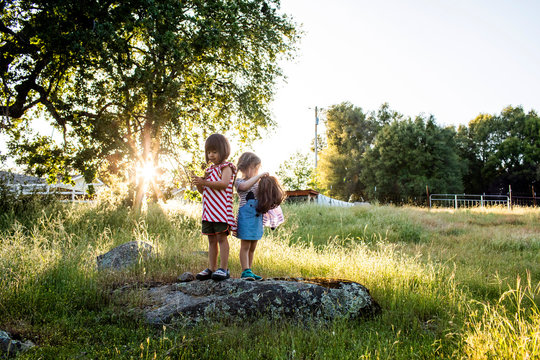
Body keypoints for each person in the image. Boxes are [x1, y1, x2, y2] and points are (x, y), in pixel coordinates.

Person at [192, 134, 237, 281]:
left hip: (221, 211)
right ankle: (211, 268)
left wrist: (204, 182)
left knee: (221, 238)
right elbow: (203, 191)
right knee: (211, 240)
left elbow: (223, 184)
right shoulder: (209, 170)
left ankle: (223, 268)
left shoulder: (227, 167)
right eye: (209, 152)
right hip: (208, 211)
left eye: (214, 152)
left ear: (223, 151)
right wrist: (199, 184)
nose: (211, 155)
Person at [235, 152, 286, 280]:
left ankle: (249, 271)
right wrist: (260, 175)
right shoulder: (239, 181)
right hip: (246, 218)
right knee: (245, 245)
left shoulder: (258, 183)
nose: (258, 170)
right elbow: (245, 186)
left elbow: (266, 194)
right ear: (247, 168)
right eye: (256, 168)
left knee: (253, 246)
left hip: (257, 218)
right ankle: (245, 270)